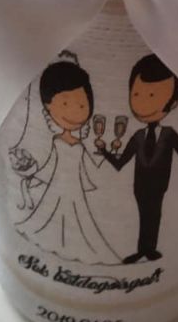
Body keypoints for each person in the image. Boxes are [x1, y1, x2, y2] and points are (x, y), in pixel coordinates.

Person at [11, 52, 120, 266]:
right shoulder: (57, 141)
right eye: (64, 104)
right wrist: (35, 176)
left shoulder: (79, 144)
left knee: (79, 223)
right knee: (52, 217)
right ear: (48, 107)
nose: (75, 112)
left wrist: (109, 154)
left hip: (74, 190)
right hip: (58, 188)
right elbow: (51, 164)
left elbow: (90, 167)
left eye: (81, 105)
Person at [98, 54, 178, 263]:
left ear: (173, 103)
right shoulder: (137, 137)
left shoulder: (169, 134)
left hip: (159, 185)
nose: (143, 104)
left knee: (154, 214)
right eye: (136, 94)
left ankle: (149, 249)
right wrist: (105, 151)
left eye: (152, 95)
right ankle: (142, 250)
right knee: (145, 215)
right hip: (140, 186)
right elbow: (120, 162)